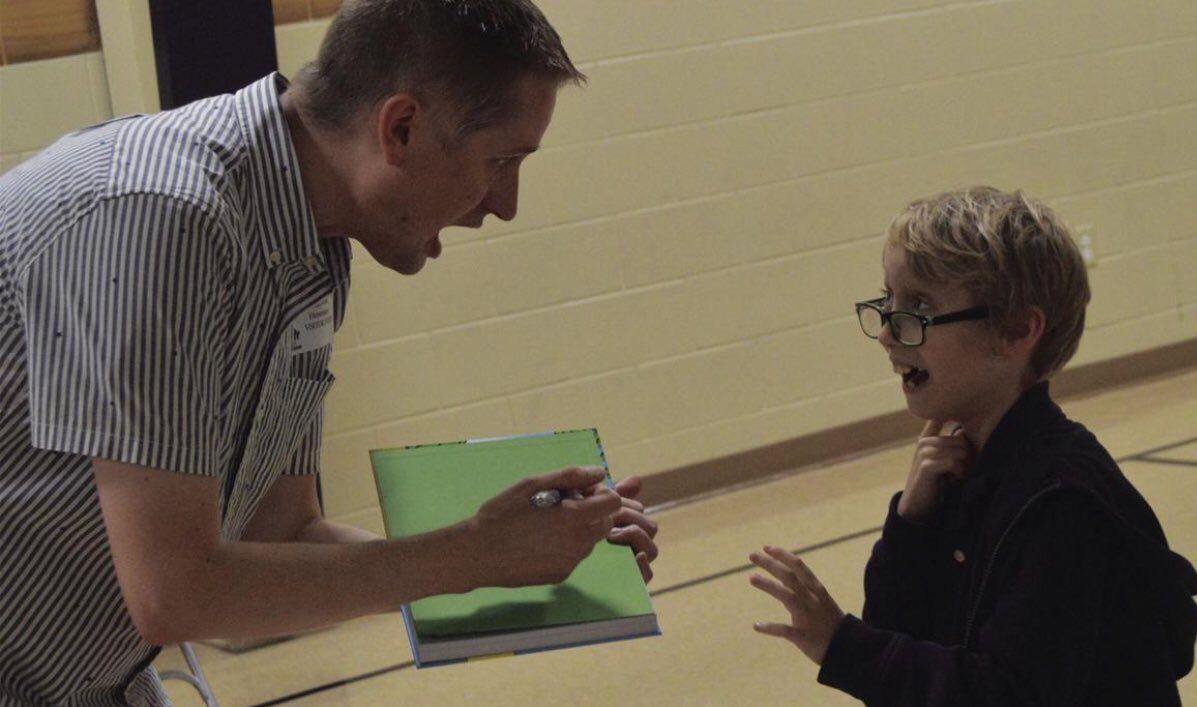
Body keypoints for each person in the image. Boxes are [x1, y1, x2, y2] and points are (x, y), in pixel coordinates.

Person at [0, 1, 658, 704]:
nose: (506, 203)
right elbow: (177, 592)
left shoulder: (312, 240)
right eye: (500, 160)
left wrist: (525, 558)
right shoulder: (164, 215)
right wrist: (470, 554)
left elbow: (281, 530)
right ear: (400, 128)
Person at [749, 186, 1197, 705]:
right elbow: (901, 635)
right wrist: (913, 525)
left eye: (919, 306)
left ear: (1017, 330)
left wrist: (843, 646)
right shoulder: (964, 466)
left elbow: (999, 694)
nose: (889, 334)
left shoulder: (1060, 502)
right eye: (889, 301)